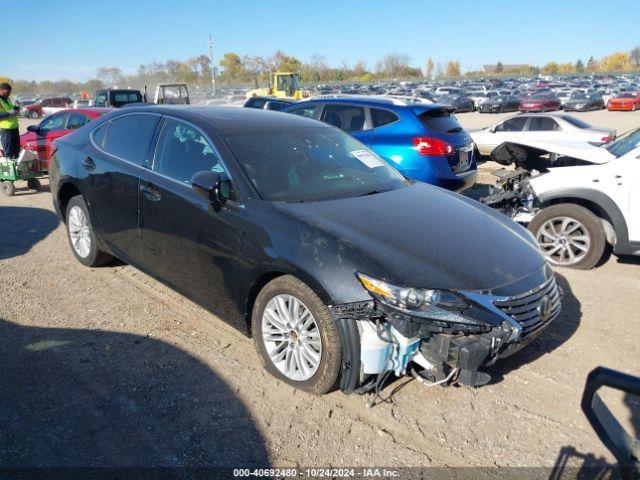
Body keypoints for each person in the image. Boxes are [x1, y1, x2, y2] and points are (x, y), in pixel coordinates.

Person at [0, 83, 20, 159]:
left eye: (9, 93)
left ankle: (16, 169)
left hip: (15, 128)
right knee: (8, 153)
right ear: (1, 90)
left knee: (16, 151)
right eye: (7, 93)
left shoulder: (7, 99)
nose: (8, 95)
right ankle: (10, 170)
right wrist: (10, 113)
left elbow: (13, 111)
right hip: (6, 130)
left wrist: (17, 107)